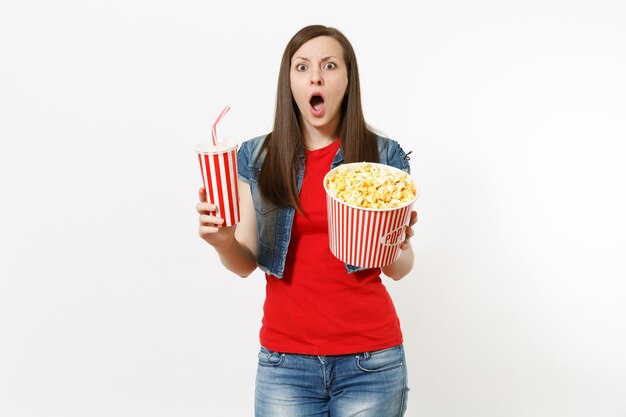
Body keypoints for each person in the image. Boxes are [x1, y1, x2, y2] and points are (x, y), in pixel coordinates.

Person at [196, 24, 417, 417]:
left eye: (330, 66)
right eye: (302, 67)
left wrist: (393, 244)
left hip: (371, 361)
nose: (316, 75)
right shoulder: (257, 156)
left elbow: (400, 268)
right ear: (290, 83)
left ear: (348, 79)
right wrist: (224, 241)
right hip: (285, 364)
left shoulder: (382, 156)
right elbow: (245, 264)